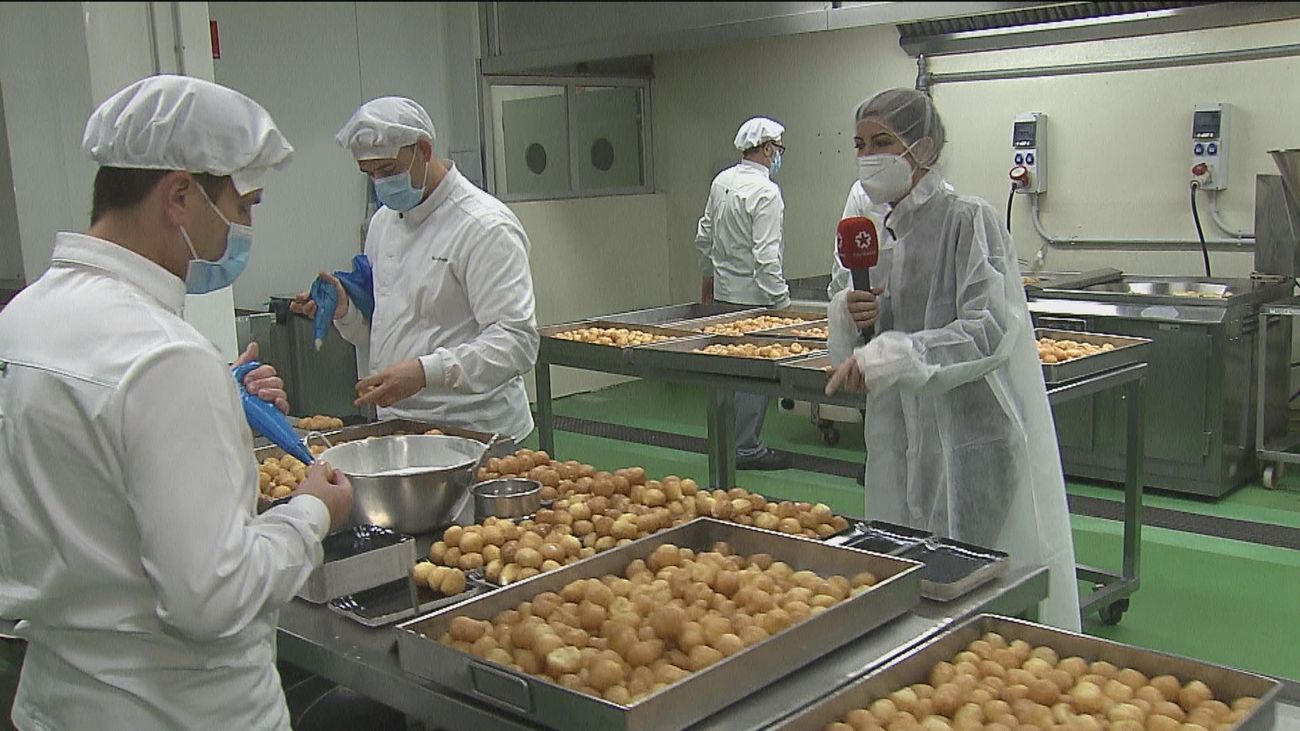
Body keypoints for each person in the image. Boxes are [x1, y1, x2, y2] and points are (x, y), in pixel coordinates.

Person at [0, 75, 354, 729]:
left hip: (55, 700)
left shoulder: (24, 319)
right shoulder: (166, 356)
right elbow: (212, 598)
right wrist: (310, 511)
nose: (243, 230)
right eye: (244, 206)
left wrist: (212, 398)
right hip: (181, 709)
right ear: (181, 195)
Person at [824, 88, 1080, 630]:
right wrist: (852, 314)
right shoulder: (884, 233)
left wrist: (896, 355)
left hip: (971, 439)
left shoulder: (970, 221)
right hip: (903, 439)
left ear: (925, 147)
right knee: (909, 581)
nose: (869, 156)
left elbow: (987, 332)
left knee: (975, 590)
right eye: (860, 144)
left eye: (883, 142)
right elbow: (868, 337)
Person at [295, 97, 538, 444]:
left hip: (477, 431)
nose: (380, 183)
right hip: (403, 427)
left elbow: (517, 342)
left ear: (424, 150)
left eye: (389, 170)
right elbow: (390, 332)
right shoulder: (384, 223)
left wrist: (426, 373)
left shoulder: (484, 227)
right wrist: (346, 311)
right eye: (370, 174)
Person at [694, 116, 792, 471]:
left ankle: (723, 443)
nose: (778, 156)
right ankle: (746, 448)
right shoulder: (767, 193)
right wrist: (782, 304)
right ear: (767, 149)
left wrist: (708, 277)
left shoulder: (722, 182)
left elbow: (704, 235)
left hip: (723, 298)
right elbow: (766, 259)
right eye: (778, 150)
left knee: (724, 375)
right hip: (755, 301)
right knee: (753, 379)